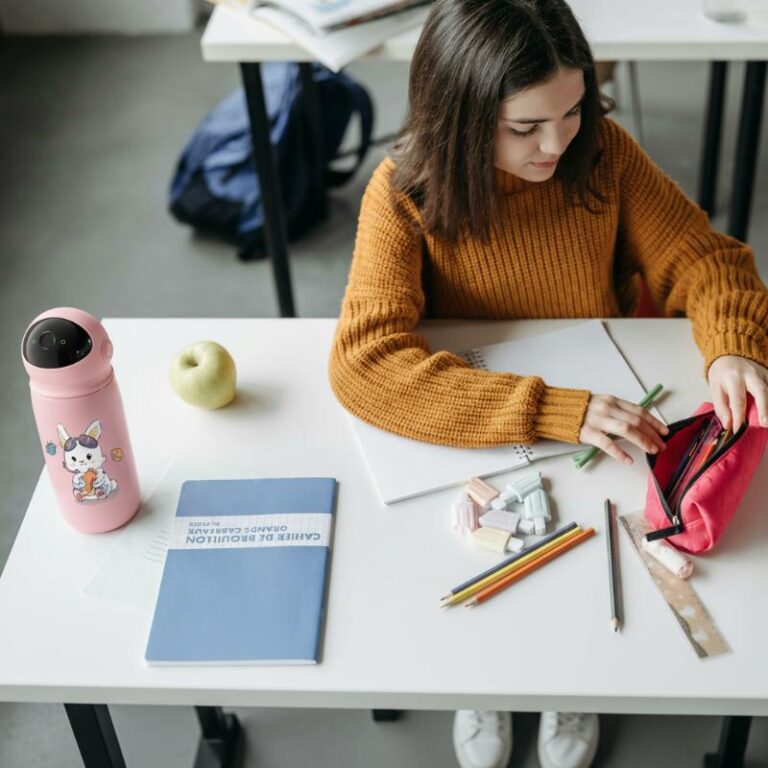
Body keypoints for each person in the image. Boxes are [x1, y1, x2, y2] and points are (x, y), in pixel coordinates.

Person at [328, 1, 768, 766]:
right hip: (488, 432)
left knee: (592, 580)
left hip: (605, 422)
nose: (557, 143)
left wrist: (733, 345)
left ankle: (570, 682)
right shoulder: (402, 194)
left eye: (573, 110)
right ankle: (489, 683)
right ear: (460, 119)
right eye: (524, 127)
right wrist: (545, 409)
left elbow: (706, 257)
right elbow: (365, 360)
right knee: (491, 565)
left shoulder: (604, 157)